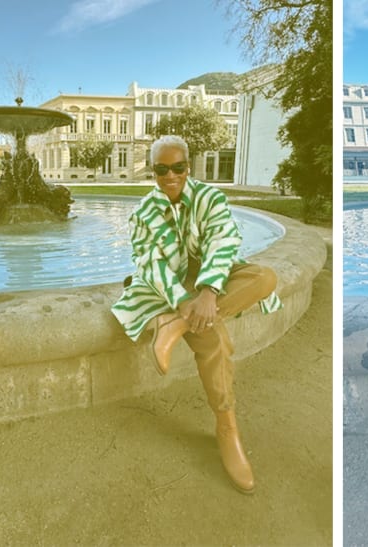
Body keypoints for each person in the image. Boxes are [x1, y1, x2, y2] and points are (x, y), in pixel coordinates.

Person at [111, 135, 281, 494]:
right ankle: (226, 426)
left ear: (189, 167)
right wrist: (183, 299)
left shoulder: (210, 198)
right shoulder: (142, 214)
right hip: (170, 287)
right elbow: (150, 265)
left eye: (178, 168)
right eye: (161, 169)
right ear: (152, 170)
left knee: (265, 278)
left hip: (212, 281)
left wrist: (208, 290)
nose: (170, 176)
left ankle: (174, 327)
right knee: (213, 339)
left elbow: (224, 241)